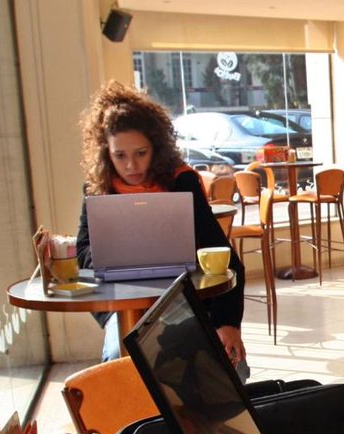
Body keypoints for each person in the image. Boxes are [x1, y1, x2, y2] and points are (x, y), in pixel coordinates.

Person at [75, 82, 247, 375]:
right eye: (120, 155)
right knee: (121, 360)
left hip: (181, 297)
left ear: (156, 147)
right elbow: (82, 251)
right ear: (106, 153)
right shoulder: (98, 190)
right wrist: (110, 256)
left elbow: (221, 253)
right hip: (123, 303)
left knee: (229, 368)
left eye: (141, 153)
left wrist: (227, 322)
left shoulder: (180, 182)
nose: (131, 165)